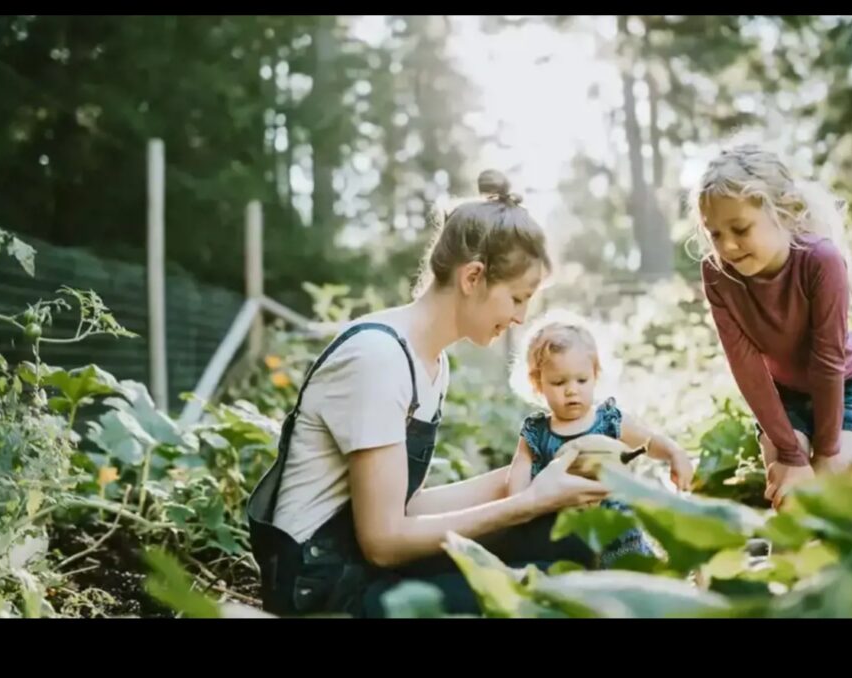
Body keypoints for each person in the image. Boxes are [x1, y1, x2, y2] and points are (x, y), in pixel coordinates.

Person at [247, 169, 608, 617]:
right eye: (517, 298)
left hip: (366, 566)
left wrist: (536, 470)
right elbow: (382, 540)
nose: (521, 318)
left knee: (574, 535)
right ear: (473, 277)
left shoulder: (430, 362)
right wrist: (527, 502)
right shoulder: (378, 358)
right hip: (325, 590)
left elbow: (404, 505)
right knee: (543, 589)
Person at [690, 143, 852, 509]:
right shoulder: (717, 274)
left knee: (831, 494)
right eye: (715, 234)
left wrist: (824, 454)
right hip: (782, 398)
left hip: (845, 387)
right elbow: (746, 367)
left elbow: (828, 362)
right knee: (790, 495)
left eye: (740, 229)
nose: (727, 245)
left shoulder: (820, 261)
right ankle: (786, 567)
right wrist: (791, 456)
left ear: (784, 213)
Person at [506, 312, 694, 567]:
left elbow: (648, 441)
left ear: (595, 375)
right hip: (564, 534)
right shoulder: (536, 431)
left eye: (582, 380)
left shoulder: (608, 420)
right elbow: (518, 479)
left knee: (633, 577)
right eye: (559, 382)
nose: (572, 390)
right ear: (538, 383)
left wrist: (674, 454)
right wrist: (518, 507)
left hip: (617, 532)